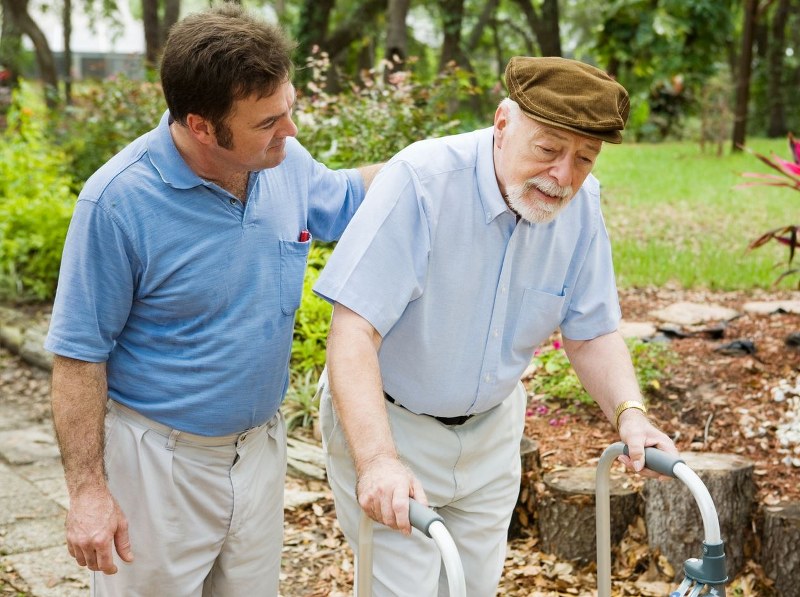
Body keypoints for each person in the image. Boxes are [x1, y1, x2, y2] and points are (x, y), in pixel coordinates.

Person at [44, 4, 381, 596]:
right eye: (267, 122)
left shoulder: (285, 163)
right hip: (158, 466)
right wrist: (89, 493)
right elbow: (77, 355)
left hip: (259, 452)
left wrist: (447, 166)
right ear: (201, 126)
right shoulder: (117, 202)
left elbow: (352, 198)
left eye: (290, 109)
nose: (291, 132)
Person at [312, 56, 678, 596]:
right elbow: (351, 333)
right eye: (549, 149)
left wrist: (632, 414)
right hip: (393, 427)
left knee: (472, 590)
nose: (564, 176)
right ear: (502, 123)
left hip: (491, 434)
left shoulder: (582, 203)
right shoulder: (421, 181)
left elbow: (591, 330)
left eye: (585, 158)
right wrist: (379, 462)